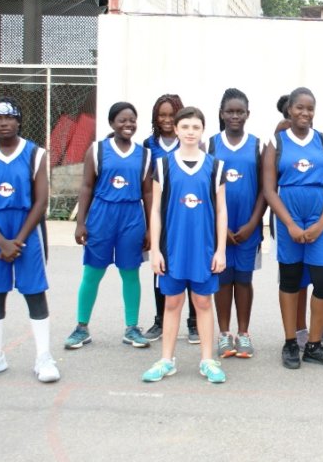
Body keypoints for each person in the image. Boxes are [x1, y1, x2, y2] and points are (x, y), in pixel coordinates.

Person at [0, 97, 59, 383]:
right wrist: (1, 242)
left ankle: (44, 357)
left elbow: (41, 200)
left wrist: (17, 240)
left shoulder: (35, 154)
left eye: (8, 118)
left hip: (27, 230)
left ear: (19, 121)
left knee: (34, 292)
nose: (3, 123)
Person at [142, 106, 228, 383]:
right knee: (172, 302)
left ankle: (207, 359)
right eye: (185, 127)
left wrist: (221, 249)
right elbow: (155, 210)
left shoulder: (215, 167)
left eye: (196, 127)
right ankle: (166, 359)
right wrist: (155, 250)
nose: (191, 132)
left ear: (203, 131)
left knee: (203, 301)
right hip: (173, 248)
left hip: (203, 248)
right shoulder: (162, 165)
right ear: (176, 130)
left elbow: (221, 212)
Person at [262, 87, 323, 369]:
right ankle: (289, 343)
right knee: (290, 279)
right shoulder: (277, 142)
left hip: (318, 215)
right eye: (300, 108)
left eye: (310, 108)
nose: (305, 113)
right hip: (289, 215)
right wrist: (289, 224)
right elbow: (269, 189)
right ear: (289, 109)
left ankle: (314, 344)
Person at [64, 102, 153, 350]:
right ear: (112, 123)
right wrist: (80, 223)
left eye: (132, 120)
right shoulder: (97, 150)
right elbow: (86, 187)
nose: (128, 124)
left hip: (131, 216)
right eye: (122, 120)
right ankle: (81, 327)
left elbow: (147, 192)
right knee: (93, 272)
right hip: (102, 215)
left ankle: (132, 328)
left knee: (130, 272)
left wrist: (150, 228)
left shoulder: (144, 154)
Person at [208, 88, 266, 359]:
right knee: (222, 280)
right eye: (229, 111)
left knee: (243, 280)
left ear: (248, 114)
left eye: (239, 112)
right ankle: (223, 334)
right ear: (221, 114)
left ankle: (243, 333)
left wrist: (254, 223)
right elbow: (206, 189)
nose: (234, 116)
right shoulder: (210, 145)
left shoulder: (257, 146)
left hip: (247, 228)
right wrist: (218, 227)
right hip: (218, 229)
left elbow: (266, 190)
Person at [141, 94, 201, 345]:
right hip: (161, 217)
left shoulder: (190, 143)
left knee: (190, 268)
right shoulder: (148, 144)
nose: (166, 119)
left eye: (170, 115)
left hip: (185, 215)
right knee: (162, 271)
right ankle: (159, 319)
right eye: (161, 115)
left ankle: (194, 322)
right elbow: (146, 186)